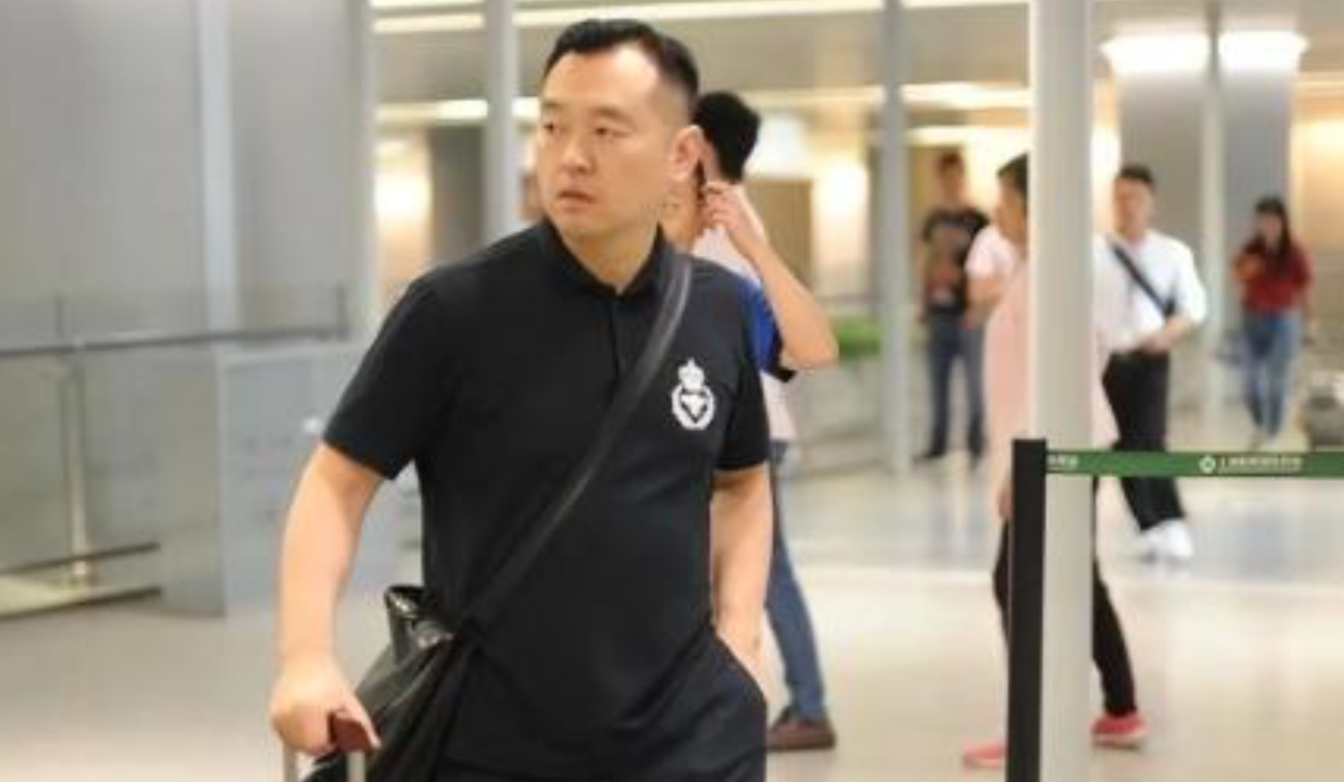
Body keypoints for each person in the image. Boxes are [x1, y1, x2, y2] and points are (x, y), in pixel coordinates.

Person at [269, 19, 774, 782]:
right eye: (552, 125)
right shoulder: (453, 310)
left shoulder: (718, 308)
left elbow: (743, 482)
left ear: (682, 156)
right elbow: (337, 483)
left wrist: (739, 638)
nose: (571, 156)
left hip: (690, 741)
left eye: (606, 131)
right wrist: (305, 656)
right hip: (492, 742)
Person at [961, 155, 1146, 769]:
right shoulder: (1042, 270)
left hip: (1049, 452)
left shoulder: (1048, 276)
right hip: (1058, 446)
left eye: (1006, 201)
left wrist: (1024, 464)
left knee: (1014, 582)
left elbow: (1058, 372)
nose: (998, 211)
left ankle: (1031, 726)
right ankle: (1120, 707)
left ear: (1032, 207)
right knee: (1075, 577)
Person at [686, 91, 842, 753]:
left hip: (743, 423)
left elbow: (791, 339)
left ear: (702, 144)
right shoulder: (732, 211)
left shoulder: (720, 217)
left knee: (761, 570)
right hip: (744, 416)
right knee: (750, 569)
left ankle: (808, 703)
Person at [1093, 164, 1208, 565]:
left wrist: (1167, 334)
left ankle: (1172, 521)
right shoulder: (1093, 251)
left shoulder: (1172, 252)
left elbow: (1194, 306)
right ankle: (1148, 526)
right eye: (1120, 197)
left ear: (1151, 202)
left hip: (1149, 359)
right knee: (1118, 445)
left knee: (1150, 440)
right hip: (1104, 361)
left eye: (1135, 197)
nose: (1127, 205)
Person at [919, 152, 990, 462]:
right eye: (946, 177)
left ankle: (976, 442)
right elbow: (923, 261)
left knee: (975, 383)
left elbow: (986, 264)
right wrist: (923, 302)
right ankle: (938, 443)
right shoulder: (933, 219)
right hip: (939, 314)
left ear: (962, 176)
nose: (951, 182)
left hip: (968, 314)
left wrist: (978, 305)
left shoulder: (977, 219)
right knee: (937, 383)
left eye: (956, 175)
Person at [1233, 195, 1314, 449]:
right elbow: (1237, 277)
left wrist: (1309, 322)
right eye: (1262, 220)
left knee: (1275, 380)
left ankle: (1271, 431)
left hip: (1283, 321)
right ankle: (1260, 423)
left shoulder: (1295, 252)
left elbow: (1304, 289)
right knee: (1248, 382)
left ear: (1282, 222)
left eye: (1272, 220)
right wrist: (1248, 269)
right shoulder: (1249, 250)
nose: (1267, 225)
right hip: (1252, 320)